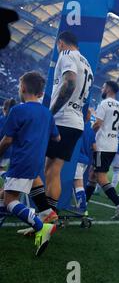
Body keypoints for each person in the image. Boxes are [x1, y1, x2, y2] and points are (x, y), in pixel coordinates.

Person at [31, 31, 93, 223]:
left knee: (36, 164)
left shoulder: (67, 55)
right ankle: (49, 219)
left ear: (61, 44)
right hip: (76, 122)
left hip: (62, 119)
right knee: (53, 170)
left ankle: (45, 214)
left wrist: (51, 113)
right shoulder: (87, 63)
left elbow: (70, 82)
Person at [0, 71, 60, 256]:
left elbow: (7, 140)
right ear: (41, 93)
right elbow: (57, 137)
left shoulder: (18, 110)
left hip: (21, 161)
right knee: (5, 196)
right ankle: (45, 217)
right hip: (35, 162)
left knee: (10, 200)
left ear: (23, 88)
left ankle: (40, 226)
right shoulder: (47, 114)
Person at [85, 81, 119, 220]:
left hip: (101, 146)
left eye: (103, 87)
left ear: (109, 89)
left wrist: (88, 135)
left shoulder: (104, 103)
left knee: (100, 176)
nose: (102, 89)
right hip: (112, 146)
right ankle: (83, 207)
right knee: (93, 174)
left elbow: (97, 123)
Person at [73, 108, 96, 213]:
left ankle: (82, 208)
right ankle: (80, 205)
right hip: (85, 160)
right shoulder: (91, 130)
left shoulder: (78, 125)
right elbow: (94, 147)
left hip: (77, 159)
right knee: (75, 182)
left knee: (78, 183)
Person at [0, 98, 17, 177]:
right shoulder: (16, 121)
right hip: (9, 153)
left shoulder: (2, 120)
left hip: (2, 149)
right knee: (1, 169)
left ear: (4, 108)